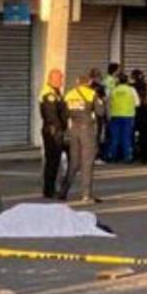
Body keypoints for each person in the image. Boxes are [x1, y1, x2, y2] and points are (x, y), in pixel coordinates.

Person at [59, 74, 105, 204]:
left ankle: (63, 192)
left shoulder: (69, 94)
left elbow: (64, 113)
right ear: (89, 82)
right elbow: (100, 112)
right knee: (87, 162)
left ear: (77, 82)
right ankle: (86, 195)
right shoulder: (91, 94)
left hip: (74, 129)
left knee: (74, 162)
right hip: (87, 130)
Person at [39, 69, 68, 199]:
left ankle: (51, 188)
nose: (61, 81)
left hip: (55, 130)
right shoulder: (49, 94)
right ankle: (49, 190)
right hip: (52, 130)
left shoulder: (56, 92)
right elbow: (51, 115)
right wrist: (59, 128)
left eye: (61, 78)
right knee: (52, 161)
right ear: (51, 79)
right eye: (58, 79)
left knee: (55, 161)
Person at [106, 74, 139, 163]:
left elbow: (108, 103)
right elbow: (137, 103)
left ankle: (112, 156)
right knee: (126, 137)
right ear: (127, 81)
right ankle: (127, 157)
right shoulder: (131, 90)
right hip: (128, 116)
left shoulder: (113, 90)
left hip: (115, 116)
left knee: (114, 137)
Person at [131, 69, 147, 161]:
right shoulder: (145, 86)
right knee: (143, 134)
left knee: (134, 134)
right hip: (144, 113)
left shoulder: (131, 87)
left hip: (134, 113)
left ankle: (135, 152)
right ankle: (143, 154)